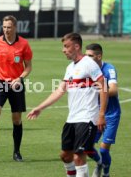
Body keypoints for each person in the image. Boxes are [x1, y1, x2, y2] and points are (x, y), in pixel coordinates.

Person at [27, 33, 108, 177]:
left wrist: (101, 115)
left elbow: (103, 87)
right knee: (65, 155)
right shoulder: (70, 67)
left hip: (87, 117)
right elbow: (59, 91)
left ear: (76, 46)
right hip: (72, 118)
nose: (63, 50)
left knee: (79, 156)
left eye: (66, 46)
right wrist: (40, 107)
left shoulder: (89, 64)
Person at [0, 15, 33, 163]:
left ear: (15, 27)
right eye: (4, 27)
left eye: (9, 27)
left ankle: (17, 152)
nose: (6, 30)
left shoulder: (24, 44)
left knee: (16, 120)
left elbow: (28, 66)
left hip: (16, 84)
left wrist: (20, 78)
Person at [85, 43, 121, 177]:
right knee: (86, 147)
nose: (86, 59)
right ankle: (99, 163)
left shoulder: (109, 69)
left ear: (99, 56)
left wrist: (94, 89)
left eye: (90, 56)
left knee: (104, 150)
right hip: (93, 114)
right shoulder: (86, 70)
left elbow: (113, 90)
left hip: (111, 115)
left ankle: (106, 173)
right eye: (86, 55)